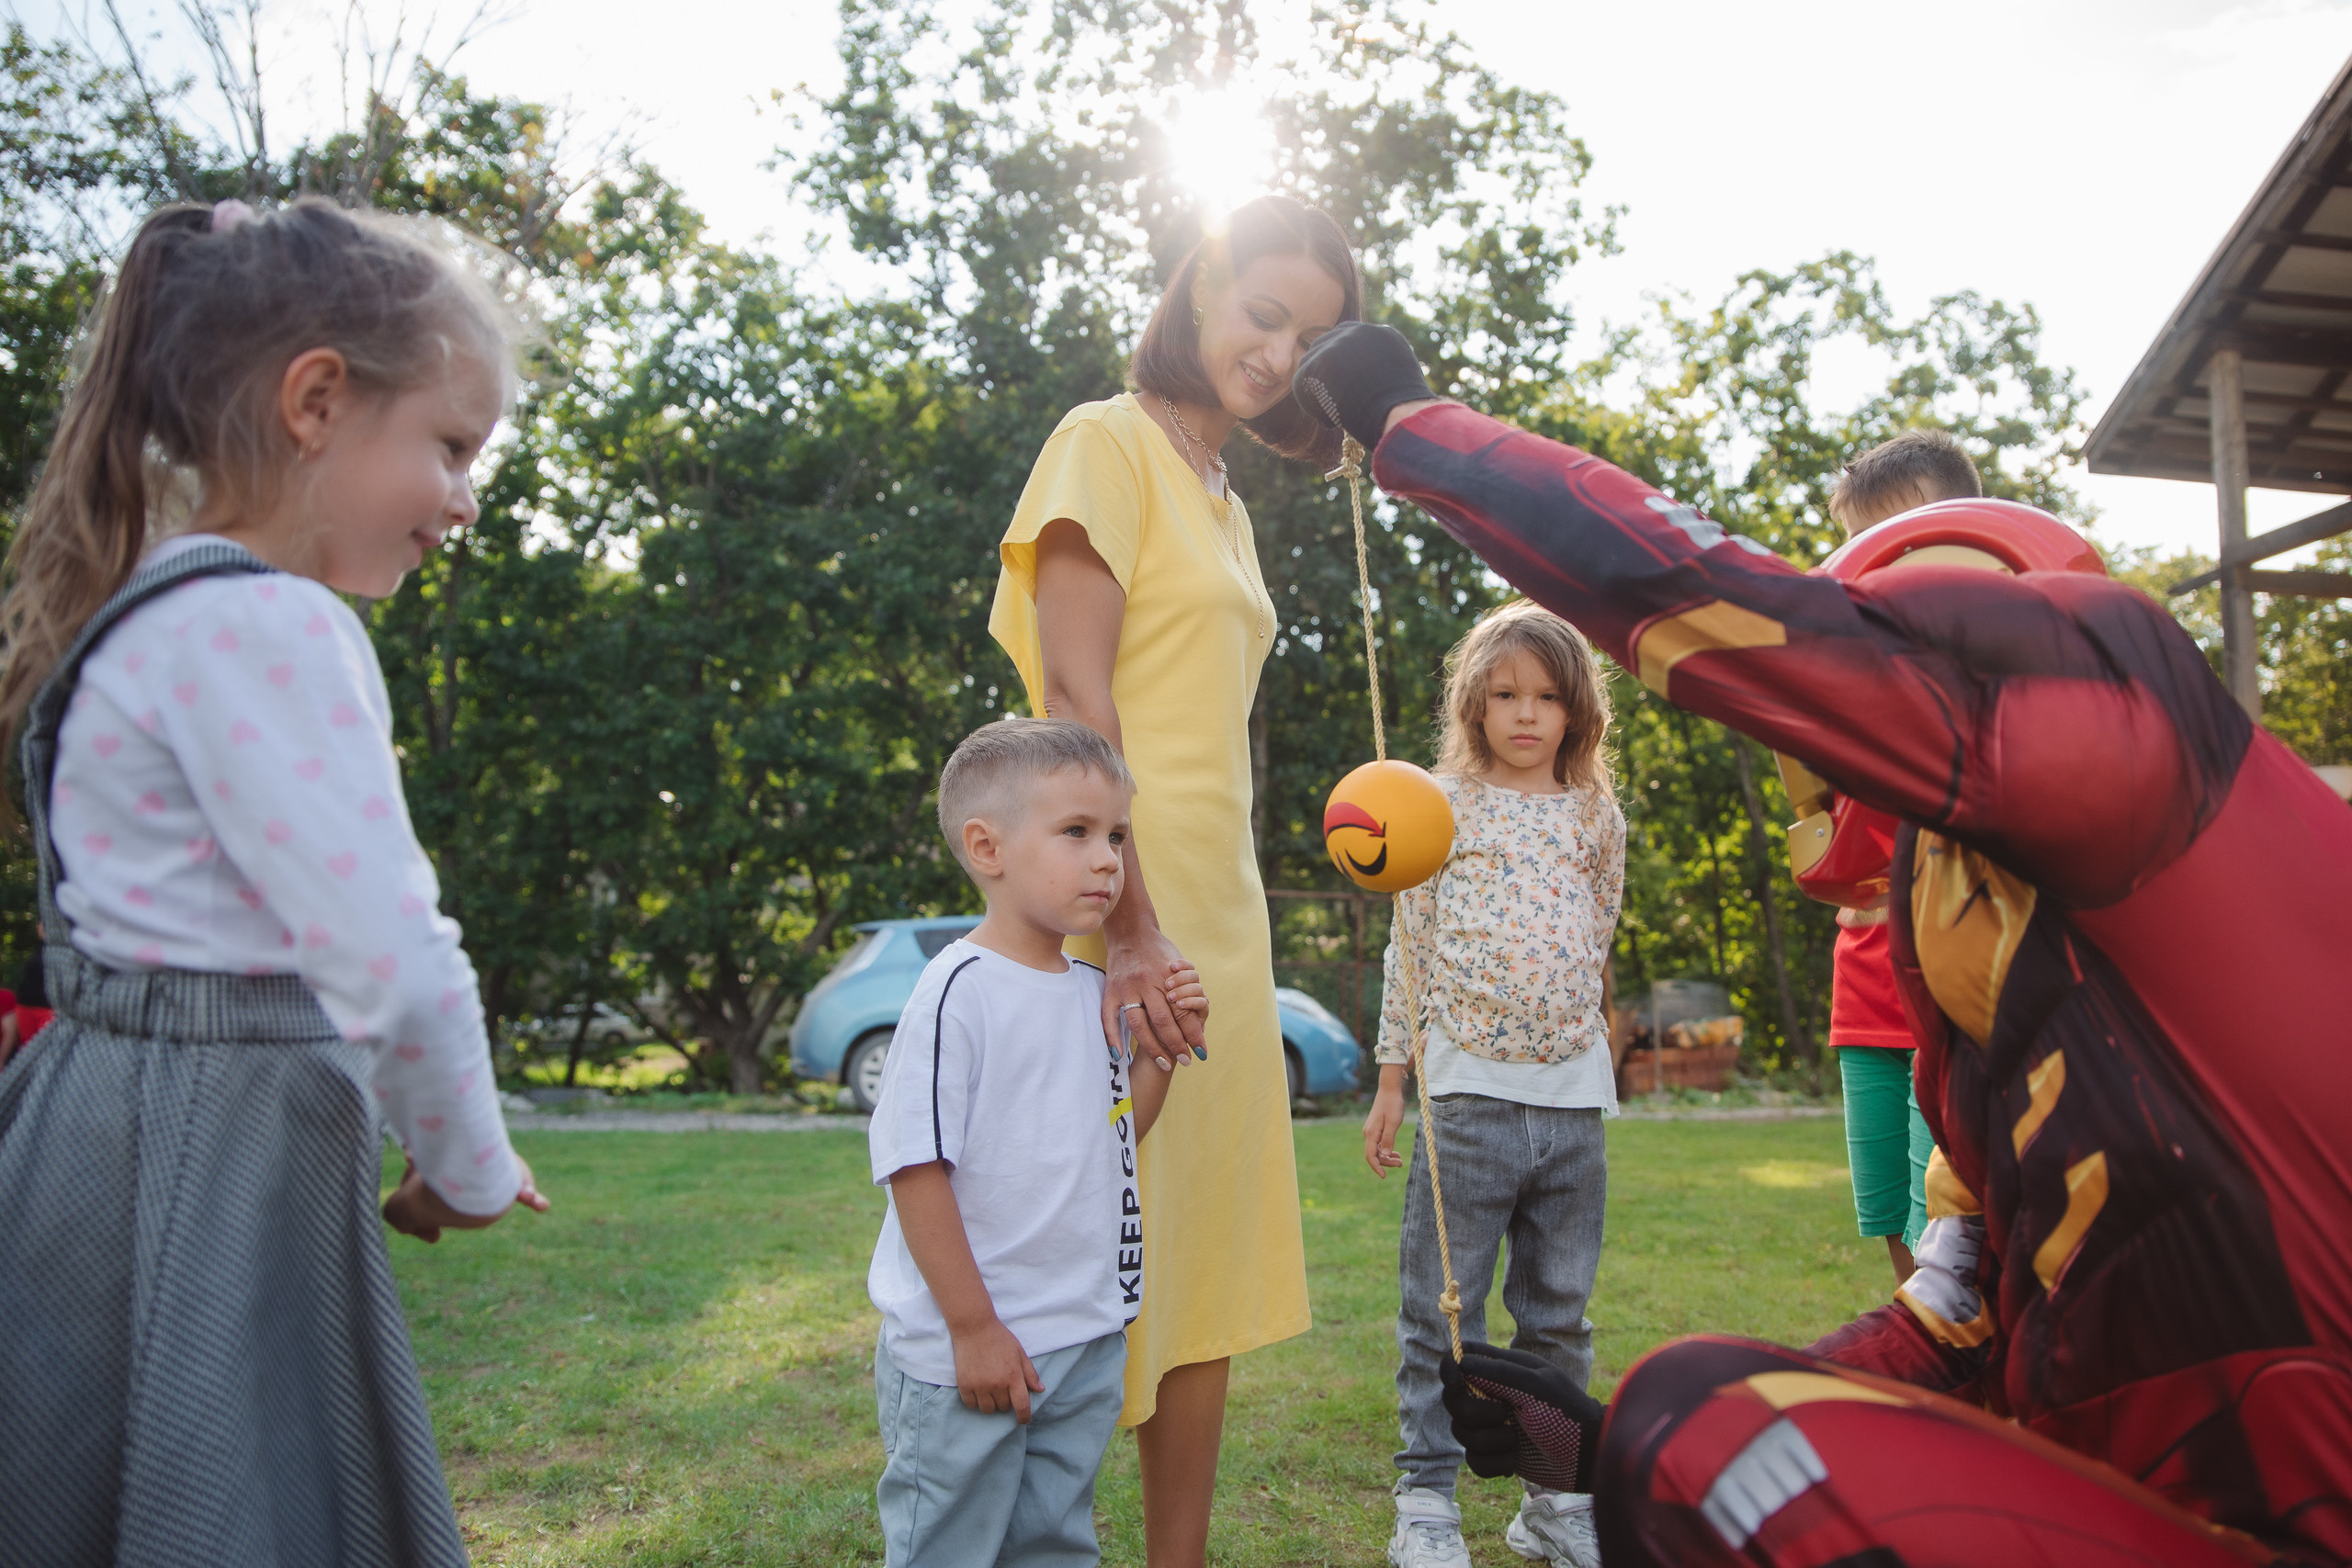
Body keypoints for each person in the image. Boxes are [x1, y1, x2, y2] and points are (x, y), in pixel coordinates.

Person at [1292, 321, 2352, 1567]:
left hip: (2299, 1475)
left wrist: (1414, 430)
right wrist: (1606, 1441)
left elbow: (1718, 607)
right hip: (2221, 1488)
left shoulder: (2122, 722)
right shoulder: (2010, 994)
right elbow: (1956, 1323)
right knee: (1693, 1411)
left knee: (1704, 1426)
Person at [0, 197, 548, 1565]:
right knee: (236, 1499)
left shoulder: (140, 603)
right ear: (317, 400)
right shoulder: (269, 621)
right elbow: (396, 958)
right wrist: (468, 1163)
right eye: (450, 443)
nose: (466, 497)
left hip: (89, 1134)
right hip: (223, 1147)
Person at [988, 192, 1360, 1563]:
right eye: (1265, 312)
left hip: (1225, 905)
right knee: (1080, 1246)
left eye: (1308, 339)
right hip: (1115, 905)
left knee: (1193, 1255)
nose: (1276, 353)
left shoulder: (1228, 494)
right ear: (1203, 285)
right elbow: (1074, 702)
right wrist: (1130, 924)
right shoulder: (1104, 442)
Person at [866, 717, 1196, 1566]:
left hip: (1082, 1337)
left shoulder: (1094, 990)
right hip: (968, 1352)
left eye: (1118, 835)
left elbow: (1112, 1137)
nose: (1107, 860)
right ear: (988, 846)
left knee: (1052, 1542)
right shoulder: (956, 992)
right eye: (1077, 832)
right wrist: (973, 1328)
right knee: (950, 1545)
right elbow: (913, 1168)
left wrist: (1162, 1052)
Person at [1360, 600, 1623, 1568]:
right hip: (1462, 1096)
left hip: (1571, 1105)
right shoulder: (1435, 804)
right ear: (1474, 703)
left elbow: (1597, 939)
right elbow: (1408, 950)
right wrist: (1393, 1081)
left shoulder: (1597, 814)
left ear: (1575, 711)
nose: (1525, 715)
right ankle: (1423, 1501)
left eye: (1547, 697)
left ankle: (1553, 1501)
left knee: (1558, 1314)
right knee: (1440, 1308)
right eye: (1505, 694)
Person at [1817, 429, 1985, 1285]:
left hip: (1955, 979)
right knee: (1885, 1200)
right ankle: (1928, 1361)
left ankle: (1964, 1373)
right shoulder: (1844, 685)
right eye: (1869, 551)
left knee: (1947, 1200)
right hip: (1868, 975)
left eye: (1909, 540)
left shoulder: (2001, 676)